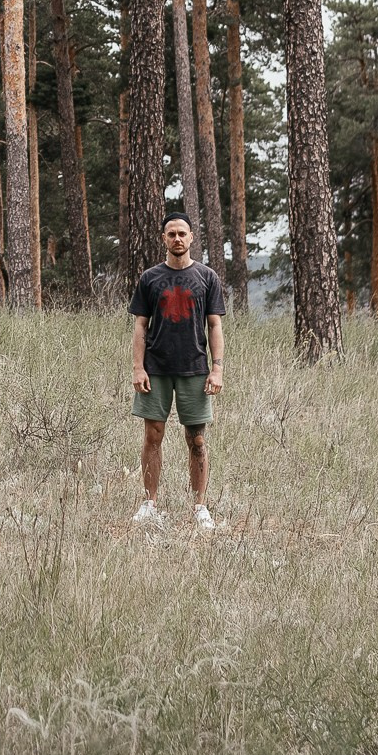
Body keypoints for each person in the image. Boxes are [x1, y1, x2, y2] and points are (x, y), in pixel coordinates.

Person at [127, 211, 226, 529]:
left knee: (197, 440)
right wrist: (138, 368)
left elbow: (215, 325)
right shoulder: (150, 278)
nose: (177, 239)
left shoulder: (207, 277)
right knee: (152, 436)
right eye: (171, 234)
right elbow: (140, 326)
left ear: (192, 237)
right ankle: (149, 504)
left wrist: (217, 369)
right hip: (156, 369)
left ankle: (200, 507)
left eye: (182, 233)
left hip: (194, 368)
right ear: (164, 239)